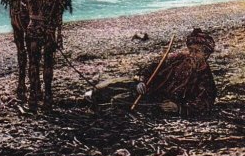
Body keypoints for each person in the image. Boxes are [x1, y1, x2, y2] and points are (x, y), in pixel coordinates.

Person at [85, 28, 217, 116]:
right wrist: (141, 81)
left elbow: (203, 105)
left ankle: (96, 108)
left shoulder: (206, 79)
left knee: (118, 101)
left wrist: (178, 108)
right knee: (101, 88)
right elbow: (152, 67)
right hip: (147, 85)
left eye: (197, 52)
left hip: (159, 101)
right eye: (191, 50)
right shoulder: (178, 59)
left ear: (206, 54)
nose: (192, 54)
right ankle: (93, 97)